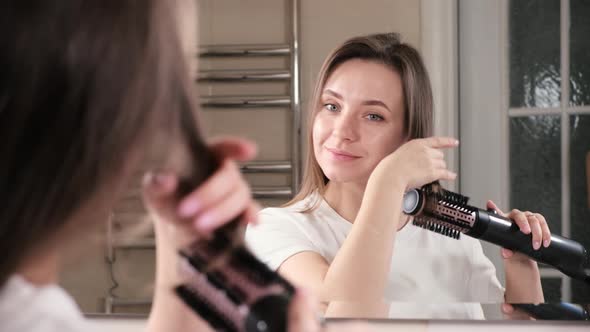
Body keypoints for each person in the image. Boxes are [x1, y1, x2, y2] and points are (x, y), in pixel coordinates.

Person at [0, 1, 344, 331]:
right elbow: (340, 296)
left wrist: (185, 244)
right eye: (331, 107)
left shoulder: (26, 306)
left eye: (375, 115)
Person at [245, 33, 551, 313]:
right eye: (332, 106)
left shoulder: (453, 238)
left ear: (409, 136)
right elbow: (344, 316)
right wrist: (389, 181)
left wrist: (521, 262)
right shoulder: (274, 230)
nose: (342, 131)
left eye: (373, 116)